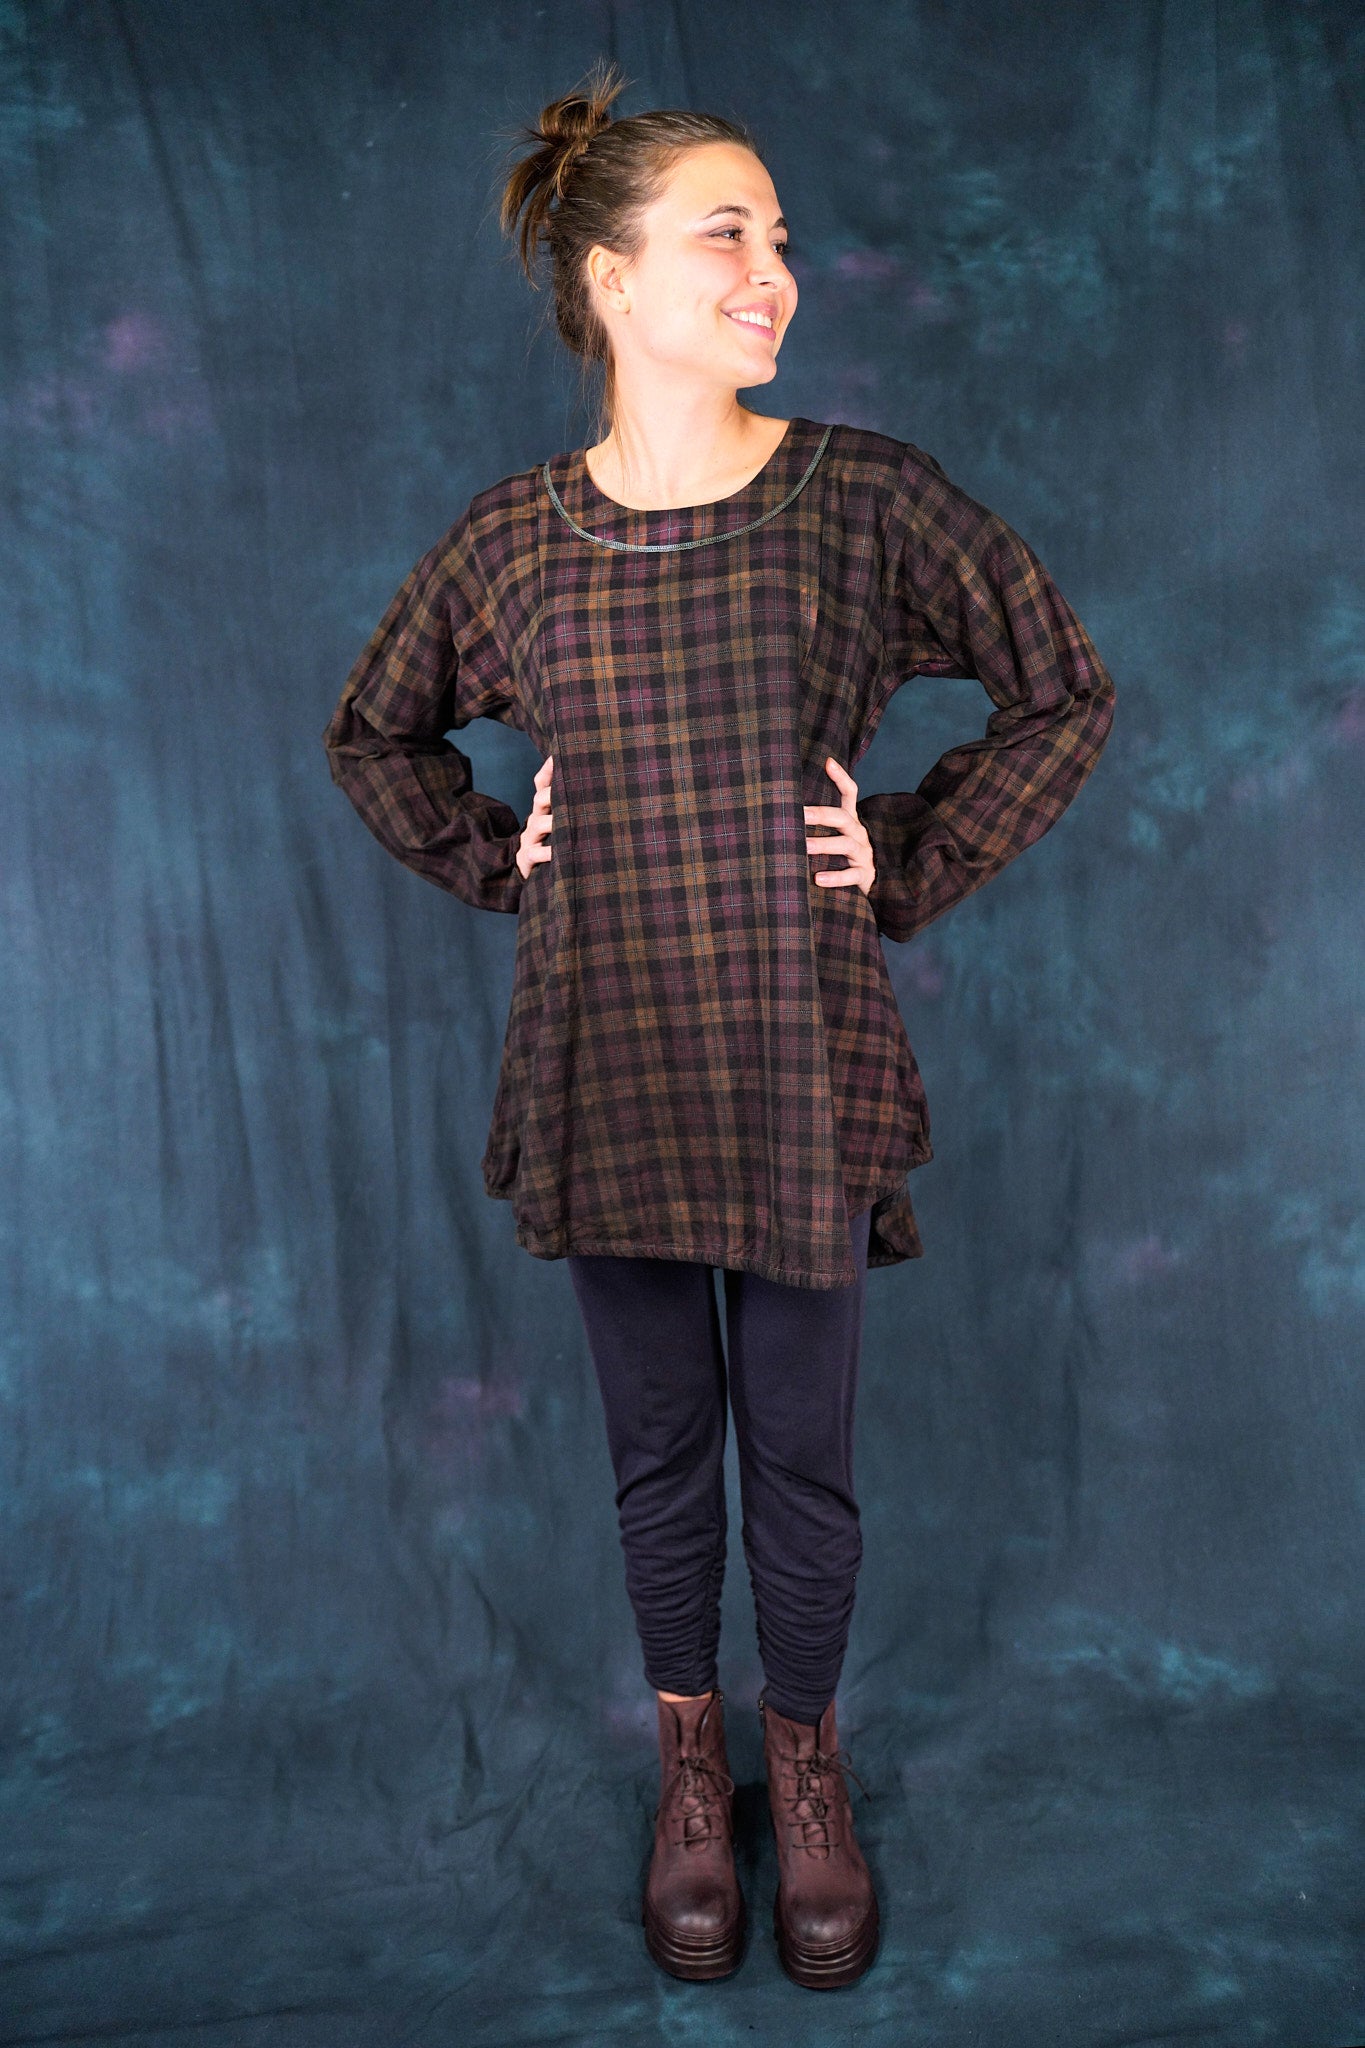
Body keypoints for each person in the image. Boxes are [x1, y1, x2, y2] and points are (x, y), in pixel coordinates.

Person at [322, 59, 1116, 1992]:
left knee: (803, 1456)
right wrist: (505, 854)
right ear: (610, 279)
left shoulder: (861, 500)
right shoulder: (515, 543)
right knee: (661, 1447)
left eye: (776, 237)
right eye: (725, 234)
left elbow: (1060, 689)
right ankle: (692, 1770)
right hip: (608, 1052)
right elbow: (374, 734)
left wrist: (903, 847)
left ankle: (804, 1768)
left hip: (793, 1051)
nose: (772, 271)